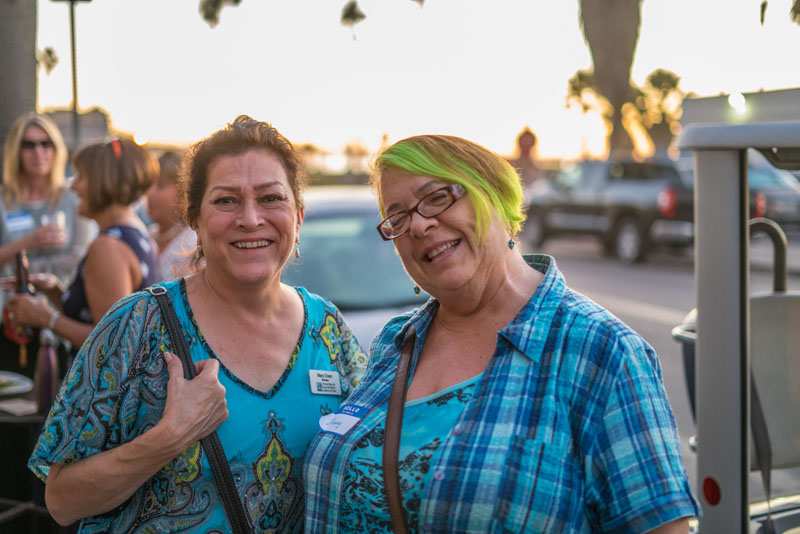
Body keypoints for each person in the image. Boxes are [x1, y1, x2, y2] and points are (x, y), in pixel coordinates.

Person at [304, 135, 698, 532]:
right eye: (398, 216)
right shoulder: (395, 342)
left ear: (495, 195)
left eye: (438, 197)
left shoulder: (600, 351)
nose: (419, 224)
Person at [28, 115, 368, 532]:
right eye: (226, 200)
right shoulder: (136, 326)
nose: (250, 218)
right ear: (195, 219)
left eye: (270, 199)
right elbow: (61, 499)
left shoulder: (330, 331)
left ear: (298, 215)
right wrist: (169, 436)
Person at [6, 137, 159, 350]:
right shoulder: (135, 231)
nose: (73, 185)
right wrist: (57, 292)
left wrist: (46, 318)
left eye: (81, 177)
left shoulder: (107, 247)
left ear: (102, 182)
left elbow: (112, 343)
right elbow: (99, 315)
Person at [147, 150, 197, 280]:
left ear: (183, 191)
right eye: (148, 185)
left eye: (160, 186)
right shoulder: (147, 234)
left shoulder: (193, 243)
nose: (149, 193)